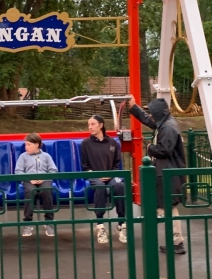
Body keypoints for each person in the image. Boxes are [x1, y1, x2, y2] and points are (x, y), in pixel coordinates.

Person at [128, 96, 187, 254]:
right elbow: (149, 121)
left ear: (159, 113)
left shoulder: (167, 128)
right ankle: (175, 240)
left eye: (152, 112)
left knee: (167, 208)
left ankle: (177, 241)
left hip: (168, 174)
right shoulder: (165, 123)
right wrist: (134, 107)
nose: (151, 115)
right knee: (165, 207)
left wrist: (150, 148)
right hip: (167, 172)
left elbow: (163, 150)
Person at [80, 114, 127, 244]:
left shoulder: (113, 143)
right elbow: (85, 165)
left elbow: (117, 163)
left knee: (120, 186)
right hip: (94, 175)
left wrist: (110, 174)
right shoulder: (85, 143)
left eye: (93, 124)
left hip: (111, 175)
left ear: (101, 125)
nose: (90, 127)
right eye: (89, 124)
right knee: (100, 186)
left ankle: (121, 223)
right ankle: (100, 224)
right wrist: (96, 175)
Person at [15, 133, 58, 238]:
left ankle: (49, 221)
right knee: (30, 192)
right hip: (29, 181)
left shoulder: (46, 156)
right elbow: (18, 171)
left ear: (37, 144)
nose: (26, 147)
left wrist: (43, 178)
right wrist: (30, 179)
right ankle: (28, 222)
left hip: (44, 179)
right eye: (25, 145)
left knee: (46, 190)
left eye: (29, 145)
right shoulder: (23, 156)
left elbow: (53, 170)